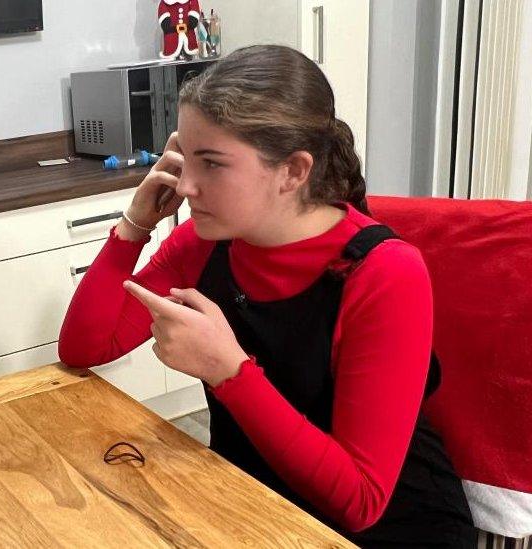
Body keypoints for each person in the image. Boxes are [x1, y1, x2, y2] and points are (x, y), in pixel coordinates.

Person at [58, 45, 475, 547]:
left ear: (294, 171)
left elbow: (361, 502)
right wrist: (135, 223)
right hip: (259, 509)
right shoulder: (207, 241)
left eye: (211, 164)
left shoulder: (385, 274)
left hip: (386, 530)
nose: (186, 185)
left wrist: (228, 371)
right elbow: (85, 347)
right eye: (184, 158)